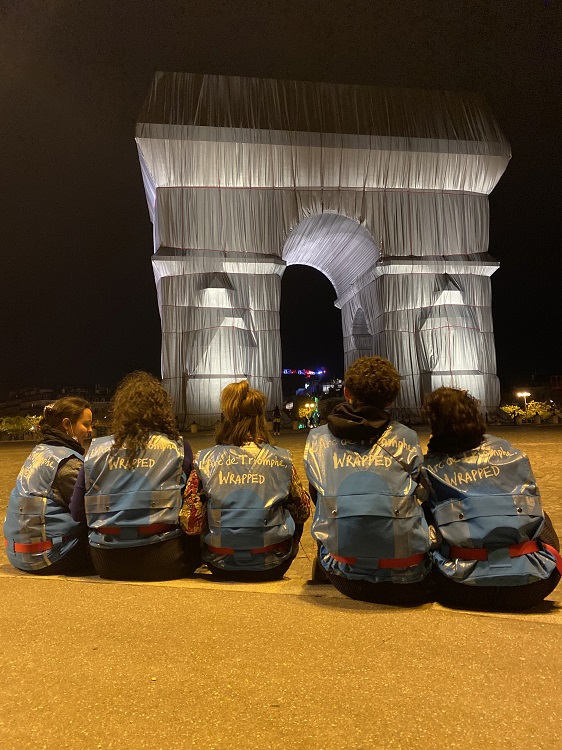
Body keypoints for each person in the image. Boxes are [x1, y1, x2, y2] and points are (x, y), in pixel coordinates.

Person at [304, 356, 432, 605]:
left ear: (346, 392)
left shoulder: (317, 439)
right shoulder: (407, 437)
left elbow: (316, 495)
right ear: (392, 397)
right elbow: (424, 493)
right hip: (407, 573)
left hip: (343, 573)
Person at [422, 387, 562, 611]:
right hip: (533, 585)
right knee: (540, 514)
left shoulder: (430, 468)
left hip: (461, 587)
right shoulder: (512, 454)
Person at [70, 371, 199, 580]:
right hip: (166, 557)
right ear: (162, 409)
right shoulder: (178, 448)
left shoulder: (96, 451)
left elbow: (77, 512)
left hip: (107, 560)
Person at [180, 380, 311, 581]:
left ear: (226, 417)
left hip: (219, 564)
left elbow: (190, 524)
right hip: (273, 565)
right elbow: (303, 511)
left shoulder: (204, 460)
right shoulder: (282, 459)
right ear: (260, 418)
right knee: (292, 501)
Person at [4, 397, 94, 575]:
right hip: (47, 557)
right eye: (86, 424)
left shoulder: (40, 452)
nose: (90, 430)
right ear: (67, 425)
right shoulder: (68, 464)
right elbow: (91, 511)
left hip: (18, 553)